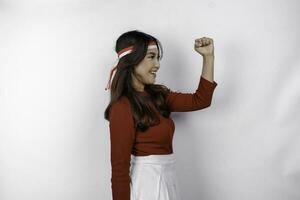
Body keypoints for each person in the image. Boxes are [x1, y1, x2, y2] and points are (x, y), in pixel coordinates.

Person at [104, 30, 217, 200]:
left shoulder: (159, 96)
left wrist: (208, 57)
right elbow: (119, 170)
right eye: (151, 57)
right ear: (133, 60)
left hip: (168, 180)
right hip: (146, 186)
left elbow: (201, 100)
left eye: (158, 58)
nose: (157, 64)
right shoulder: (122, 107)